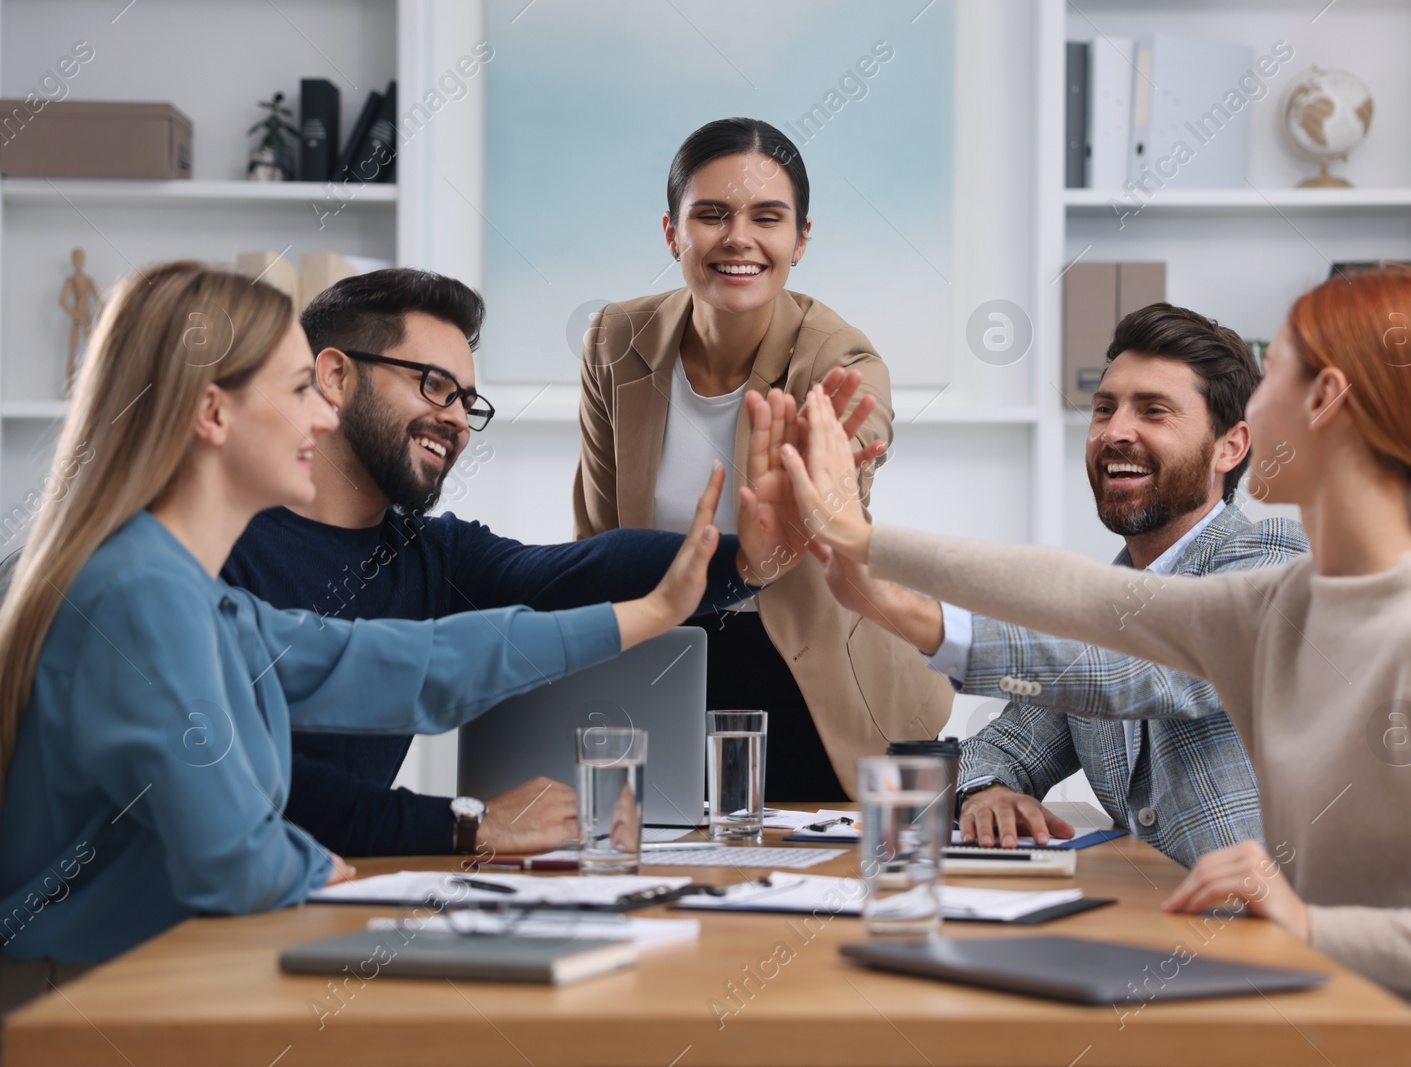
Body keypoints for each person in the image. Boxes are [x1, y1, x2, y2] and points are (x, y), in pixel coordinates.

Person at [778, 264, 1411, 1062]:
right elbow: (1077, 597)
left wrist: (1314, 925)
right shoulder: (1290, 602)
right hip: (1337, 1018)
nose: (1261, 392)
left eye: (1272, 369)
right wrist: (866, 548)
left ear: (1323, 402)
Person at [0, 261, 725, 1012]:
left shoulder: (191, 594)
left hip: (156, 976)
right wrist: (326, 862)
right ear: (213, 415)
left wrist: (654, 611)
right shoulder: (141, 594)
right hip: (79, 1006)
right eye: (296, 390)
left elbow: (413, 665)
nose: (320, 416)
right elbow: (237, 858)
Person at [222, 268, 800, 858]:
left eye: (467, 402)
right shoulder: (218, 551)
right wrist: (466, 825)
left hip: (336, 894)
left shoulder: (432, 555)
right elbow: (250, 791)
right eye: (433, 384)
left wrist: (743, 560)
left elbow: (576, 574)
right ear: (337, 375)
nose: (455, 419)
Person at [815, 303, 1308, 867]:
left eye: (1153, 411)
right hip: (1147, 927)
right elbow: (1006, 743)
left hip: (1279, 938)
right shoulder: (1109, 604)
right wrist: (986, 791)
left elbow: (1146, 672)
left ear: (1230, 446)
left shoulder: (1275, 561)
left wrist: (904, 607)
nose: (1115, 432)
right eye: (1104, 409)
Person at [574, 117, 951, 801]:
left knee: (805, 884)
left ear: (800, 238)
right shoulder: (615, 338)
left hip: (810, 670)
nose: (737, 238)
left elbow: (856, 465)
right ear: (672, 232)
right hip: (663, 659)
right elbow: (598, 539)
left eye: (767, 218)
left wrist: (827, 485)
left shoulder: (837, 355)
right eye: (710, 215)